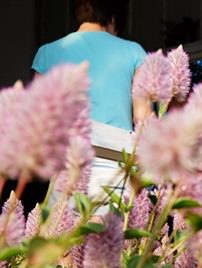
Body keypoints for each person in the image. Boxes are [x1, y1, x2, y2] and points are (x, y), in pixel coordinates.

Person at [31, 0, 149, 196]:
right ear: (113, 18)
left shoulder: (47, 52)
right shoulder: (134, 51)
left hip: (65, 164)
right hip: (115, 164)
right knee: (110, 226)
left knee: (63, 226)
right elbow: (143, 118)